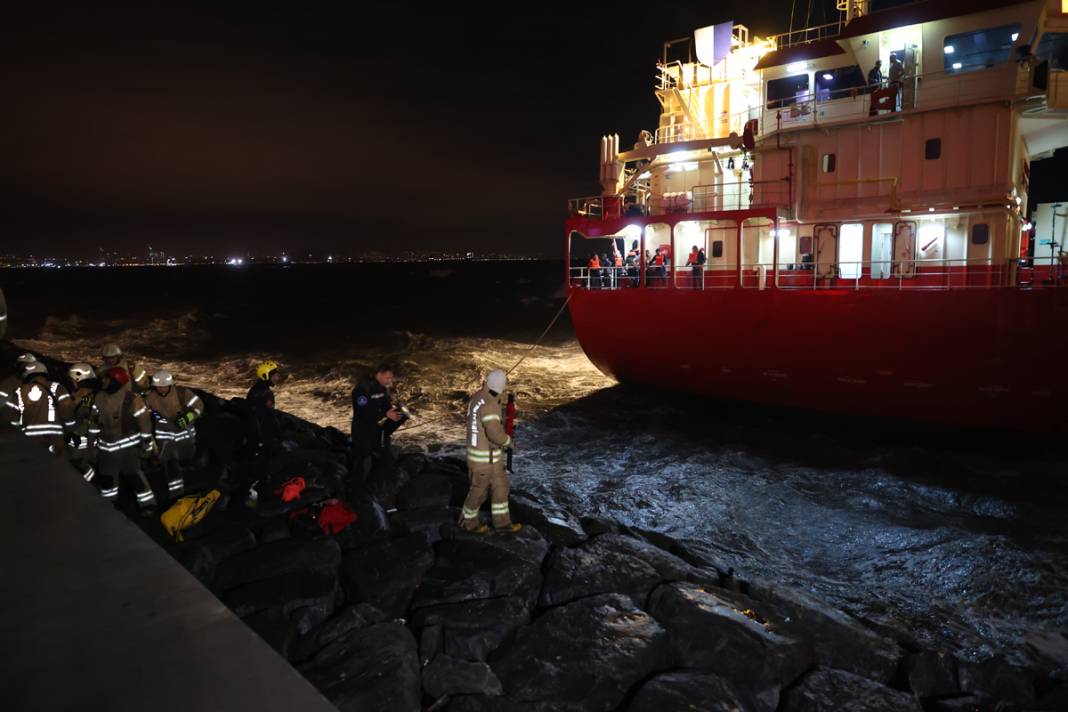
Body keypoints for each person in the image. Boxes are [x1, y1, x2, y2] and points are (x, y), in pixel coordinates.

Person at [460, 369, 520, 534]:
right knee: (478, 492)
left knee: (501, 486)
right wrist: (509, 442)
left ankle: (502, 523)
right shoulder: (488, 403)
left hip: (491, 456)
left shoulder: (480, 397)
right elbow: (494, 434)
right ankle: (467, 523)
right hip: (482, 458)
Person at [93, 367, 156, 510]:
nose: (102, 381)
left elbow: (145, 422)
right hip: (106, 450)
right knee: (107, 482)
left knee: (134, 477)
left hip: (128, 450)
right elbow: (94, 422)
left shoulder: (132, 399)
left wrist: (147, 445)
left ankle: (148, 506)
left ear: (115, 381)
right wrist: (91, 444)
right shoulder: (98, 398)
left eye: (106, 378)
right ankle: (108, 508)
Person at [144, 370, 204, 500]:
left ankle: (197, 489)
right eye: (158, 386)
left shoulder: (182, 393)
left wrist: (189, 416)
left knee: (190, 462)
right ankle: (176, 496)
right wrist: (156, 415)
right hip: (165, 437)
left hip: (186, 437)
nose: (161, 389)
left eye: (164, 386)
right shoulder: (150, 398)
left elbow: (199, 406)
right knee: (171, 465)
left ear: (171, 384)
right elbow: (146, 414)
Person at [6, 361, 75, 457]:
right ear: (44, 373)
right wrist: (70, 431)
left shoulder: (19, 391)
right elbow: (67, 412)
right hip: (55, 438)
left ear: (26, 375)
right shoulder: (58, 388)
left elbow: (12, 419)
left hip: (29, 441)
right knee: (57, 468)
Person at [351, 363, 406, 479]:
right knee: (362, 462)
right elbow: (364, 413)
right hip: (361, 430)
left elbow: (386, 406)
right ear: (379, 374)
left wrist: (396, 411)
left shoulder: (382, 389)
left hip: (376, 429)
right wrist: (386, 414)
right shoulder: (362, 389)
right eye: (387, 378)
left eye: (391, 378)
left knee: (385, 458)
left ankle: (378, 484)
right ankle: (357, 487)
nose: (389, 381)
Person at [67, 362, 101, 484]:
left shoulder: (80, 395)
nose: (71, 382)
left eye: (72, 380)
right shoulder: (97, 393)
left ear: (77, 379)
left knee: (78, 464)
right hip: (86, 438)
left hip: (83, 438)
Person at [247, 360, 284, 456]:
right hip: (261, 437)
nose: (277, 377)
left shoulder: (253, 389)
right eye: (275, 375)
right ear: (266, 376)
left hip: (253, 434)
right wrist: (281, 435)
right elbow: (271, 416)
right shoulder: (267, 394)